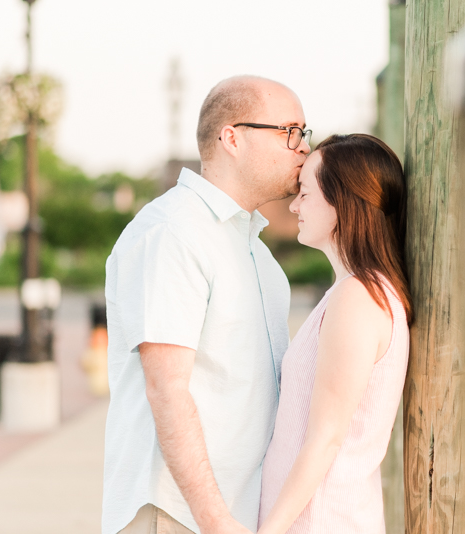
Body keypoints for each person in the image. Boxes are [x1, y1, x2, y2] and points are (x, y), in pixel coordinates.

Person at [102, 76, 311, 534]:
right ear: (232, 137)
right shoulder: (173, 231)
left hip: (237, 513)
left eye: (304, 133)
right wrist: (215, 520)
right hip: (179, 515)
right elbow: (167, 389)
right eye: (289, 132)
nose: (302, 148)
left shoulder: (257, 251)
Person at [257, 134, 413, 534]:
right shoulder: (358, 292)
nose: (294, 205)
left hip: (320, 521)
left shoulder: (358, 297)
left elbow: (326, 437)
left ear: (341, 201)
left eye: (305, 193)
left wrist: (268, 530)